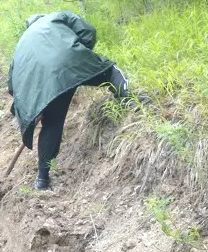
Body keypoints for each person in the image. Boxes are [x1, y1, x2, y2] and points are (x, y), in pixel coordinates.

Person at [8, 11, 133, 190]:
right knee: (110, 71)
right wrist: (81, 54)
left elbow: (12, 86)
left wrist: (35, 104)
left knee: (52, 124)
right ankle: (131, 101)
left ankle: (42, 179)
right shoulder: (57, 16)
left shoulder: (21, 44)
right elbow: (88, 31)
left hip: (45, 87)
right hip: (71, 61)